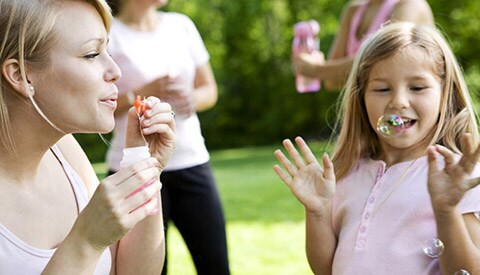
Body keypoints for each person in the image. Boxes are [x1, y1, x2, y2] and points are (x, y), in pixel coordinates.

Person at [274, 22, 480, 274]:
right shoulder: (348, 173)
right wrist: (317, 212)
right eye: (382, 89)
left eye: (417, 87)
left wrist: (446, 210)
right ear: (361, 98)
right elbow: (326, 269)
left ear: (445, 94)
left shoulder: (455, 174)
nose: (398, 101)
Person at [0, 0, 176, 273]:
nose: (115, 71)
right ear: (20, 74)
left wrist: (144, 166)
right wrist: (85, 241)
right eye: (92, 54)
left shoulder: (65, 153)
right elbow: (90, 246)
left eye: (108, 49)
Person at [105, 0, 230, 274]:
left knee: (215, 265)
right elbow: (99, 109)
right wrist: (141, 92)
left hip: (192, 162)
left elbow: (209, 90)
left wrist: (190, 99)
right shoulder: (109, 32)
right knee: (150, 269)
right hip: (134, 168)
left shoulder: (181, 26)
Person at [293, 0, 434, 91]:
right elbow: (332, 81)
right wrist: (316, 66)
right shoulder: (353, 11)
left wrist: (317, 69)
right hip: (370, 117)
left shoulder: (410, 5)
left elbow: (381, 60)